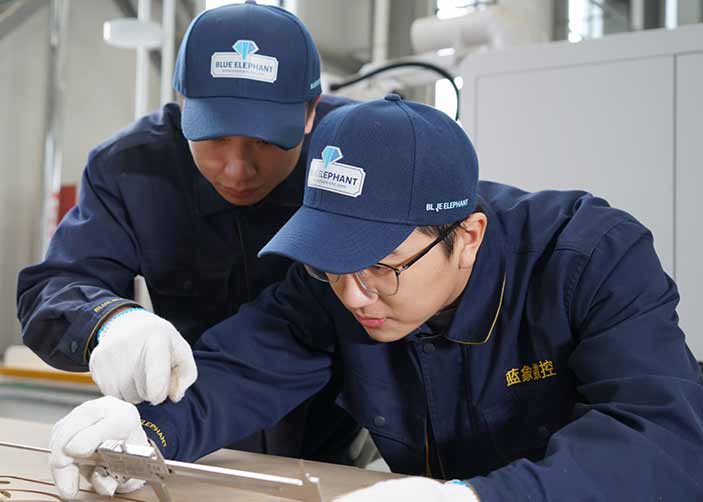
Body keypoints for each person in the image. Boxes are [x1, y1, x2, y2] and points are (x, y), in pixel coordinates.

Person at [50, 95, 703, 501]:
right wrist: (145, 433)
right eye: (331, 266)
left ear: (468, 237)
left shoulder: (589, 260)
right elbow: (242, 368)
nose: (354, 295)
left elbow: (667, 440)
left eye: (382, 268)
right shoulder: (331, 285)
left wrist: (473, 500)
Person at [17, 1, 360, 465]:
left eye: (265, 141)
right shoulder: (130, 170)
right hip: (187, 431)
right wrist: (110, 322)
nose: (238, 169)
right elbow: (56, 285)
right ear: (182, 106)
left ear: (310, 113)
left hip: (336, 435)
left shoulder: (355, 158)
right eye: (215, 137)